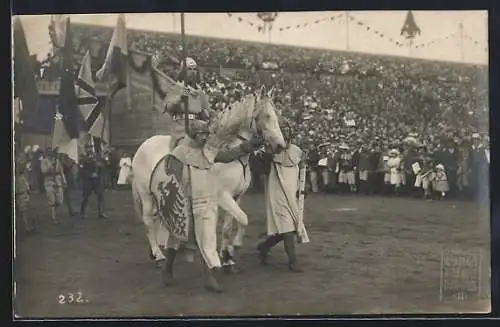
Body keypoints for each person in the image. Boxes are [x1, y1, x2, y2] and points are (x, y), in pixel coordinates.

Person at [160, 120, 264, 293]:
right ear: (193, 134)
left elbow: (228, 155)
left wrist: (248, 146)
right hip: (184, 203)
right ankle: (167, 268)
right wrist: (176, 197)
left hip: (206, 202)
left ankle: (209, 278)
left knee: (208, 240)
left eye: (206, 134)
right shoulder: (179, 152)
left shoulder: (208, 151)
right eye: (201, 134)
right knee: (177, 237)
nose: (205, 137)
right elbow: (170, 176)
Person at [257, 118, 309, 273]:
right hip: (277, 192)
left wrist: (302, 189)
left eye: (287, 129)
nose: (285, 132)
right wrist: (271, 154)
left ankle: (264, 247)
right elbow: (262, 170)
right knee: (286, 225)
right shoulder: (268, 150)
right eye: (282, 130)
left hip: (292, 193)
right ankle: (293, 261)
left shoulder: (296, 150)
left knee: (290, 227)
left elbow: (301, 172)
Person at [162, 57, 213, 149]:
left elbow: (208, 110)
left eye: (194, 69)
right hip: (181, 128)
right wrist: (180, 97)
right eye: (189, 69)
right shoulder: (176, 88)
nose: (192, 72)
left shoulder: (200, 92)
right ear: (183, 72)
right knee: (183, 149)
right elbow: (168, 107)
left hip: (198, 129)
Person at [79, 143, 108, 219]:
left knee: (100, 196)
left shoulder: (97, 157)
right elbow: (81, 170)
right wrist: (90, 175)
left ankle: (101, 212)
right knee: (85, 197)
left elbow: (103, 166)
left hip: (97, 181)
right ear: (85, 149)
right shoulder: (83, 158)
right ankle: (82, 213)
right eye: (88, 148)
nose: (89, 149)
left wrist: (99, 165)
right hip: (87, 181)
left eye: (91, 148)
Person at [40, 147, 66, 224]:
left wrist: (64, 181)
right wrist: (50, 165)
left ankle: (53, 211)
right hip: (49, 181)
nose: (51, 153)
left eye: (52, 152)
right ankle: (53, 218)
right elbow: (43, 172)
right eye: (49, 152)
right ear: (47, 153)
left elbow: (61, 171)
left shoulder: (57, 160)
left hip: (57, 181)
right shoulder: (44, 161)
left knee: (60, 201)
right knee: (52, 200)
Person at [15, 153, 35, 233]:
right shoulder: (17, 178)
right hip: (20, 195)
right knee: (23, 211)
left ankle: (28, 226)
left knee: (25, 211)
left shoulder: (22, 176)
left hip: (24, 194)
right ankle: (27, 227)